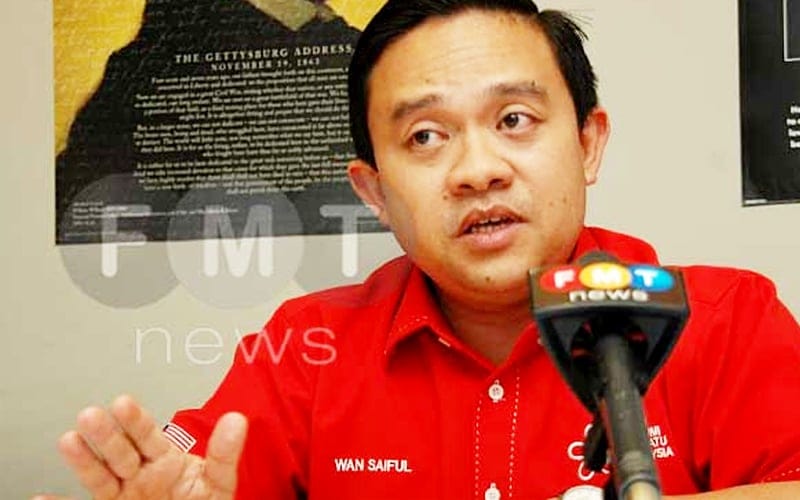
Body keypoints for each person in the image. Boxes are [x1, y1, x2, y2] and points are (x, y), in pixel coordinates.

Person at [40, 0, 800, 499]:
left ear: (588, 143)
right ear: (374, 192)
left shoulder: (727, 319)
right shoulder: (305, 347)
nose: (478, 171)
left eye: (514, 119)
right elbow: (198, 474)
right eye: (426, 136)